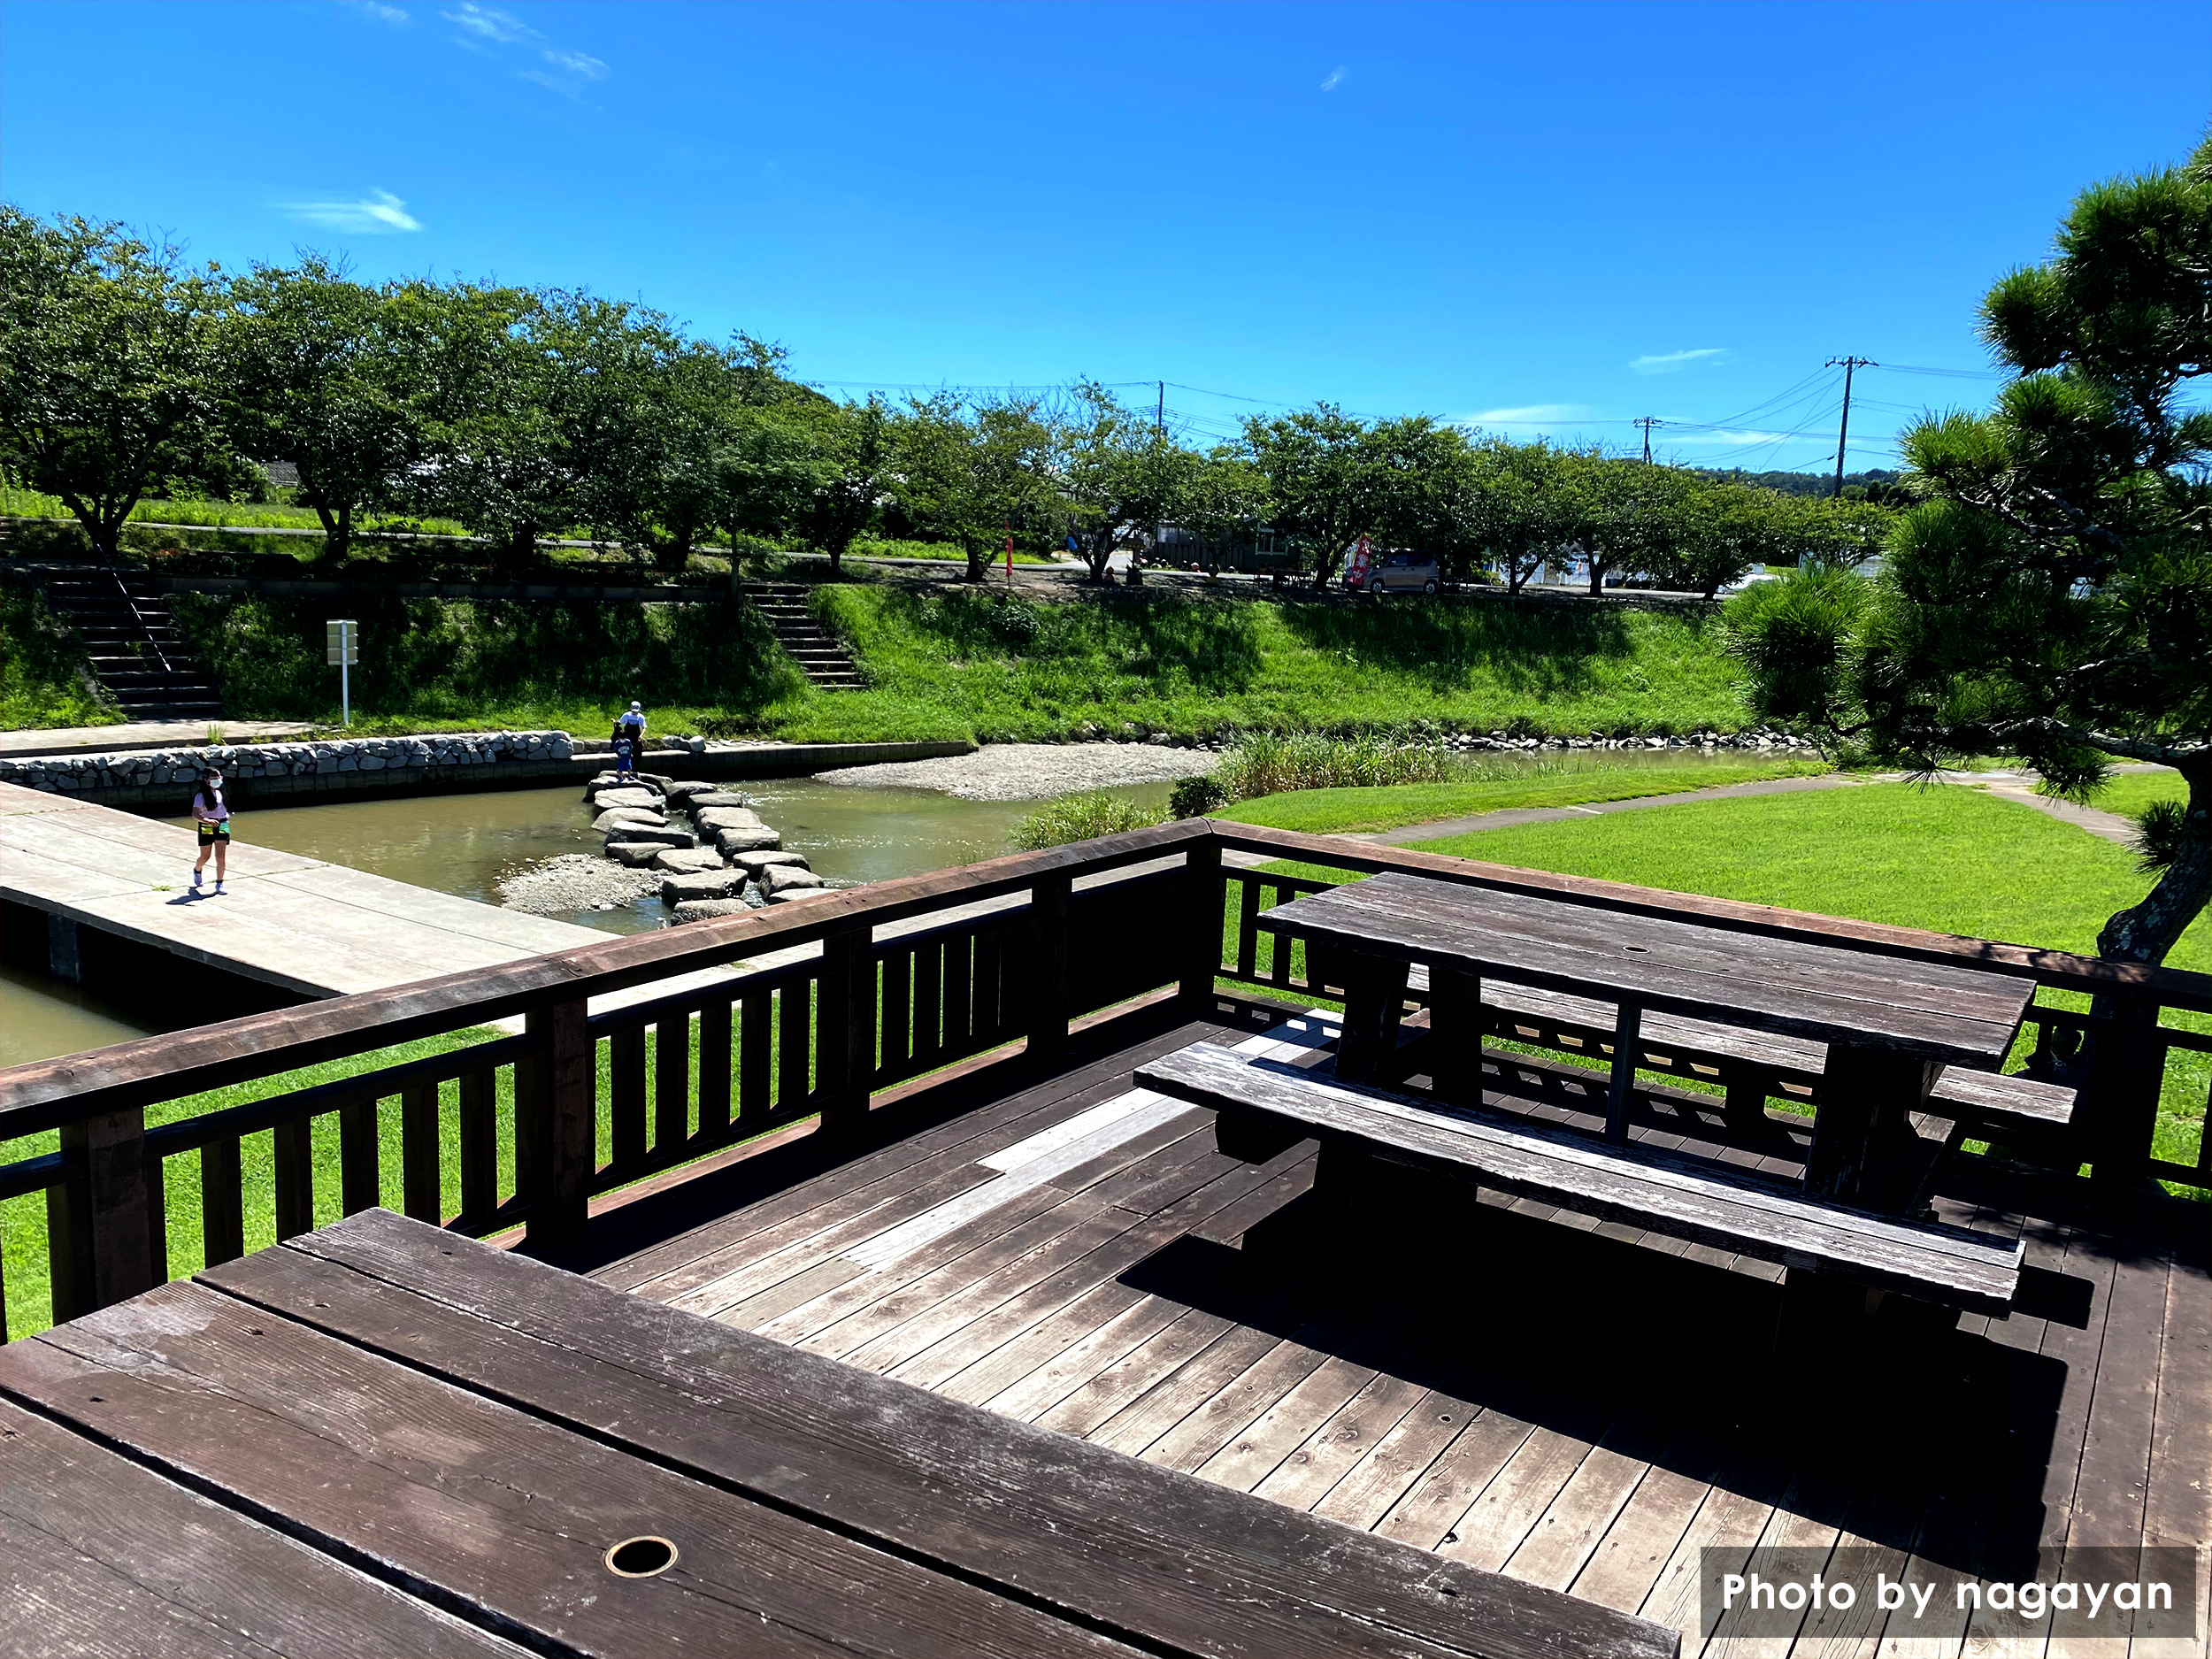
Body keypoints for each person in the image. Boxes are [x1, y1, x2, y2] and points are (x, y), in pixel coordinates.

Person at [190, 766, 232, 895]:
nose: (217, 780)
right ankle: (197, 870)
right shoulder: (201, 796)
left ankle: (220, 882)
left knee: (221, 856)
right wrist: (207, 821)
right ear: (206, 780)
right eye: (213, 778)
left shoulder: (220, 793)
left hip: (222, 824)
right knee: (205, 856)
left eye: (218, 777)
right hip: (207, 825)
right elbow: (195, 814)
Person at [613, 700, 647, 780]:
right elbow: (620, 723)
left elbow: (644, 727)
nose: (635, 713)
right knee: (626, 752)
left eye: (636, 711)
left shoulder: (640, 717)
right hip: (628, 737)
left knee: (637, 753)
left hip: (636, 737)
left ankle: (635, 769)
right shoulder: (626, 715)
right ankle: (624, 769)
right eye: (633, 711)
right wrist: (615, 722)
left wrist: (641, 735)